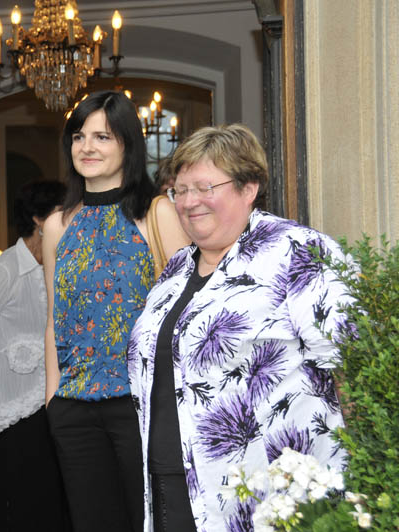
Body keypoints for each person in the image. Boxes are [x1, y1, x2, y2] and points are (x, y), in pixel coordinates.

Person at [125, 124, 351, 532]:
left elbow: (351, 363)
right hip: (173, 486)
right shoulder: (177, 269)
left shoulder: (297, 252)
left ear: (249, 188)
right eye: (180, 190)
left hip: (269, 498)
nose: (189, 202)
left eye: (205, 187)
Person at [41, 90, 190, 532]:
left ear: (128, 143)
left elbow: (186, 316)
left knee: (150, 523)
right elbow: (53, 318)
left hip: (141, 405)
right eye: (79, 137)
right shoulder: (58, 225)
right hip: (73, 408)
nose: (87, 147)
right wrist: (52, 400)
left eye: (102, 137)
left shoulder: (156, 214)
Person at [0, 180, 70, 532]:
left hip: (51, 403)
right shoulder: (7, 269)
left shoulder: (62, 265)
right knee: (20, 503)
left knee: (51, 502)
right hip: (12, 411)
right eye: (62, 214)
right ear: (38, 219)